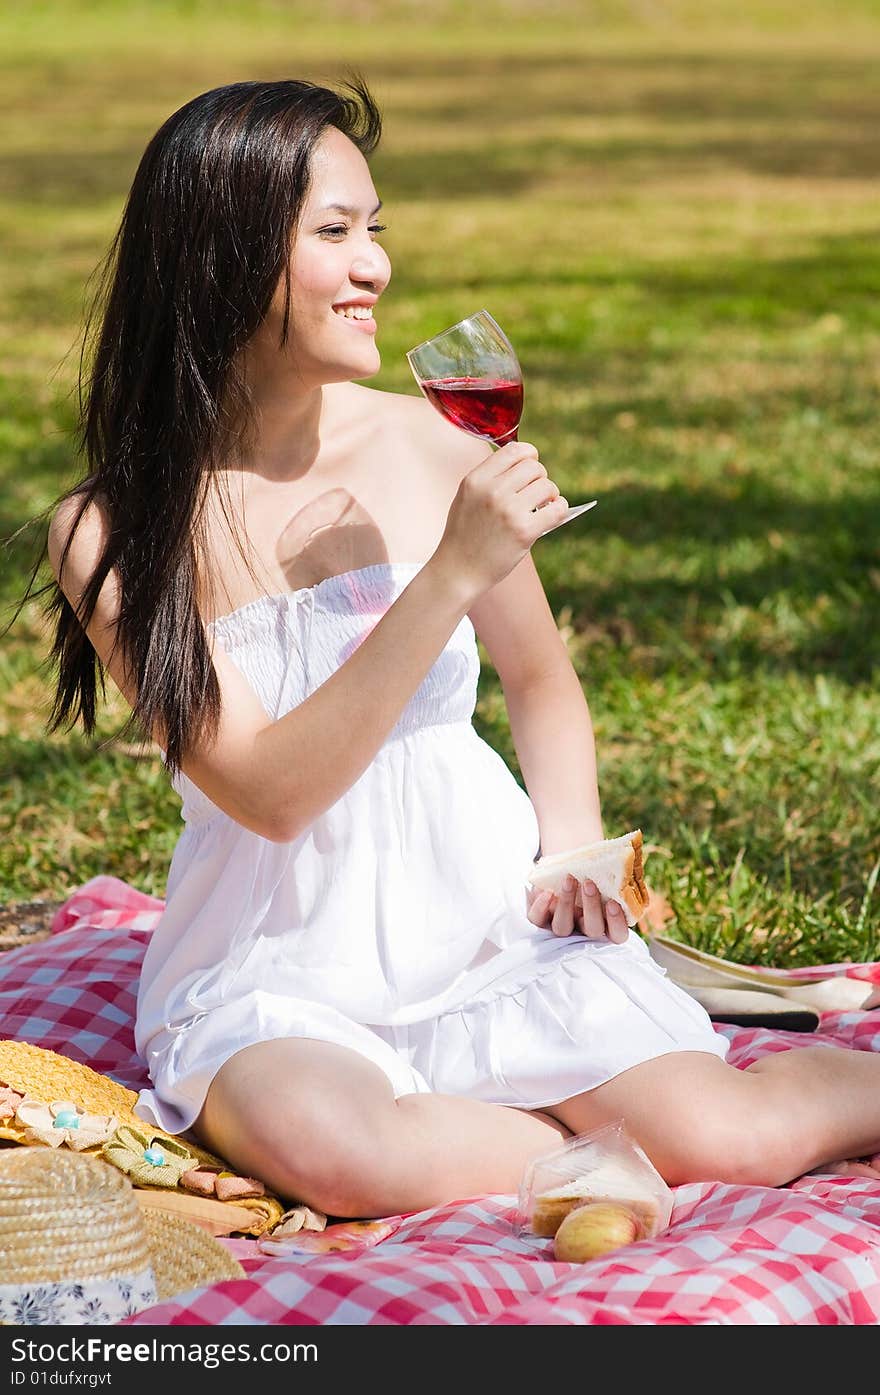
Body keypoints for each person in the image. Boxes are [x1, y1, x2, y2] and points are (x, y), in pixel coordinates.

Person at [36, 76, 880, 1220]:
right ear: (221, 257)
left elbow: (541, 682)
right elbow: (272, 796)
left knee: (729, 1132)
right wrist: (442, 580)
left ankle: (629, 1132)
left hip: (482, 920)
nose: (375, 265)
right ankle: (583, 1148)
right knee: (337, 1152)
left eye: (373, 228)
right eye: (334, 234)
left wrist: (571, 853)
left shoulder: (431, 447)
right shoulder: (114, 530)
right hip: (278, 962)